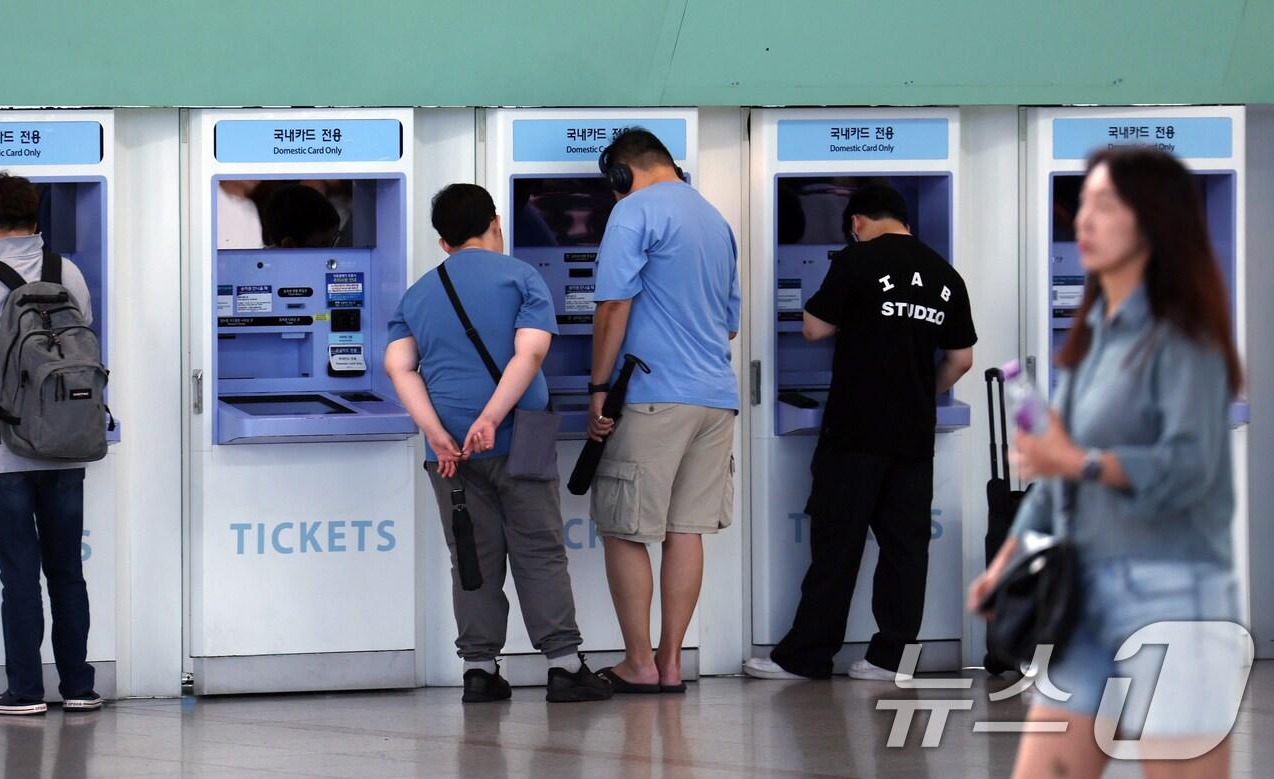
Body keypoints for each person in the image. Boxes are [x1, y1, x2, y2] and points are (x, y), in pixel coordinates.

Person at [969, 148, 1246, 778]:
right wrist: (1005, 563)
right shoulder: (1095, 337)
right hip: (1085, 591)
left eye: (1106, 206)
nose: (1084, 222)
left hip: (1175, 594)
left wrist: (1079, 459)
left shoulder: (1186, 339)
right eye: (1083, 204)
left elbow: (1188, 468)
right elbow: (1053, 476)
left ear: (1153, 222)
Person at [385, 183, 612, 704]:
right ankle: (562, 666)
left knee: (471, 557)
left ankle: (480, 672)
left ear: (443, 242)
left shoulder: (418, 293)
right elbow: (529, 355)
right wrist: (491, 417)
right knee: (539, 551)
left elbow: (400, 367)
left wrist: (437, 433)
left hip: (449, 457)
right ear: (495, 223)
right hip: (519, 439)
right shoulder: (521, 277)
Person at [745, 184, 976, 682]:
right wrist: (920, 392)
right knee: (906, 549)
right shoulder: (946, 275)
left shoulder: (857, 260)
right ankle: (892, 659)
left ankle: (806, 656)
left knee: (837, 544)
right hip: (914, 434)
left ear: (856, 223)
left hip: (855, 428)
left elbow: (812, 328)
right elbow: (962, 359)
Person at [585, 128, 740, 694]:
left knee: (624, 528)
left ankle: (639, 663)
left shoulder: (633, 213)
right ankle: (672, 663)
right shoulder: (715, 220)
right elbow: (727, 322)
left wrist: (598, 387)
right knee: (686, 530)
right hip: (714, 399)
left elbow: (611, 308)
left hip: (651, 395)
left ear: (621, 174)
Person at [0, 173, 101, 715]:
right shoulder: (72, 276)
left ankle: (25, 691)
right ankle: (79, 686)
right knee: (66, 571)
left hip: (4, 450)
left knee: (20, 573)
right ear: (36, 221)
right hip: (67, 448)